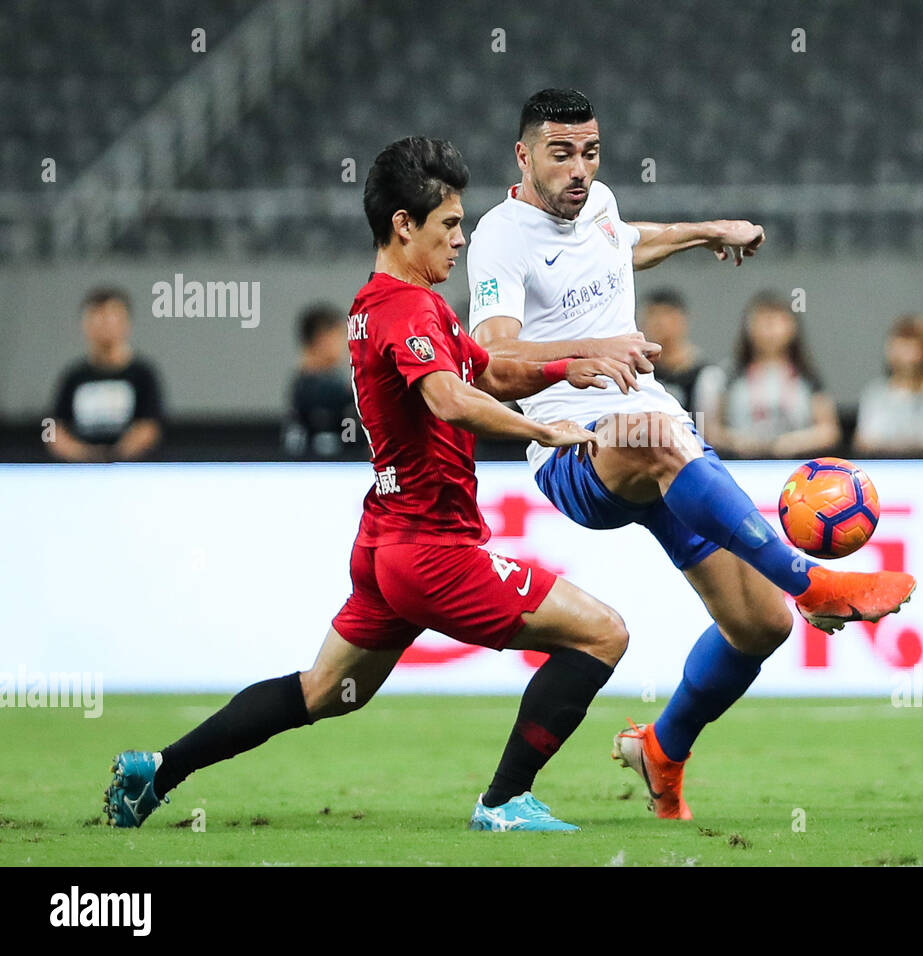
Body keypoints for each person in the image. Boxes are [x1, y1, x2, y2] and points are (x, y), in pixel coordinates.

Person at [104, 136, 644, 833]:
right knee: (603, 634)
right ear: (402, 225)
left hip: (386, 541)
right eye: (449, 225)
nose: (461, 239)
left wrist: (564, 368)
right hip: (434, 550)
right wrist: (543, 430)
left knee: (324, 691)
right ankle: (504, 802)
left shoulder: (389, 305)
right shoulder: (409, 311)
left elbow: (488, 371)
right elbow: (449, 398)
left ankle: (158, 771)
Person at [468, 89, 915, 821]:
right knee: (661, 438)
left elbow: (623, 239)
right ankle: (812, 581)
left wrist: (706, 230)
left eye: (590, 151)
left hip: (654, 436)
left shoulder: (599, 204)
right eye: (560, 153)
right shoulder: (499, 237)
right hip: (578, 455)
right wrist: (589, 351)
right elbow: (490, 358)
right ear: (523, 156)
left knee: (759, 627)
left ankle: (662, 746)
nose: (579, 169)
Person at [705, 291, 842, 459]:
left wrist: (794, 442)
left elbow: (829, 431)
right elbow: (712, 431)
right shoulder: (730, 375)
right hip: (741, 466)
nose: (769, 330)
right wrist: (737, 441)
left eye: (777, 321)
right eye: (762, 322)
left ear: (792, 327)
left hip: (797, 469)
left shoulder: (807, 376)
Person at [49, 287, 164, 462]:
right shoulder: (73, 376)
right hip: (79, 474)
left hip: (132, 472)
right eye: (97, 318)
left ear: (126, 323)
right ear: (85, 324)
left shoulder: (143, 374)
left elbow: (150, 428)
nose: (105, 325)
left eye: (112, 318)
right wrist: (85, 456)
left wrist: (114, 456)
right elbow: (53, 430)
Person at [853, 313, 923, 457]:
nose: (905, 353)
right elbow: (865, 439)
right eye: (900, 345)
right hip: (883, 467)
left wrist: (904, 446)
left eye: (912, 345)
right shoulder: (874, 393)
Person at [637, 288, 725, 428]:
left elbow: (711, 431)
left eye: (667, 315)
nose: (659, 323)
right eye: (652, 315)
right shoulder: (639, 372)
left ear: (683, 320)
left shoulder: (706, 375)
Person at [283, 302, 357, 459]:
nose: (346, 344)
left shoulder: (332, 381)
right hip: (312, 469)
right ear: (322, 339)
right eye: (340, 336)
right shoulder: (309, 386)